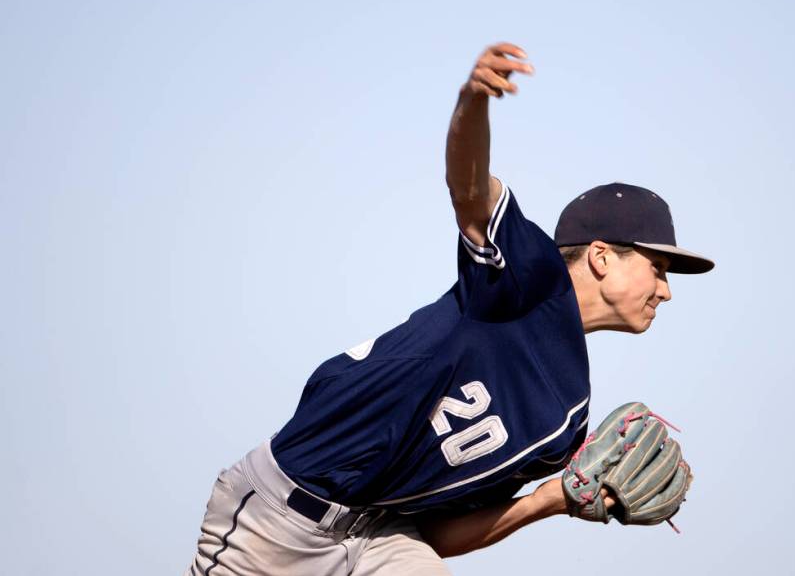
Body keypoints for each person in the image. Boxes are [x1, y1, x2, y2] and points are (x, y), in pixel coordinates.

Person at [185, 42, 714, 576]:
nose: (665, 290)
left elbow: (439, 533)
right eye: (658, 268)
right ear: (602, 256)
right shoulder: (526, 278)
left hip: (381, 536)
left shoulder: (568, 414)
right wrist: (473, 101)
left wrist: (549, 500)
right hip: (279, 520)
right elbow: (469, 189)